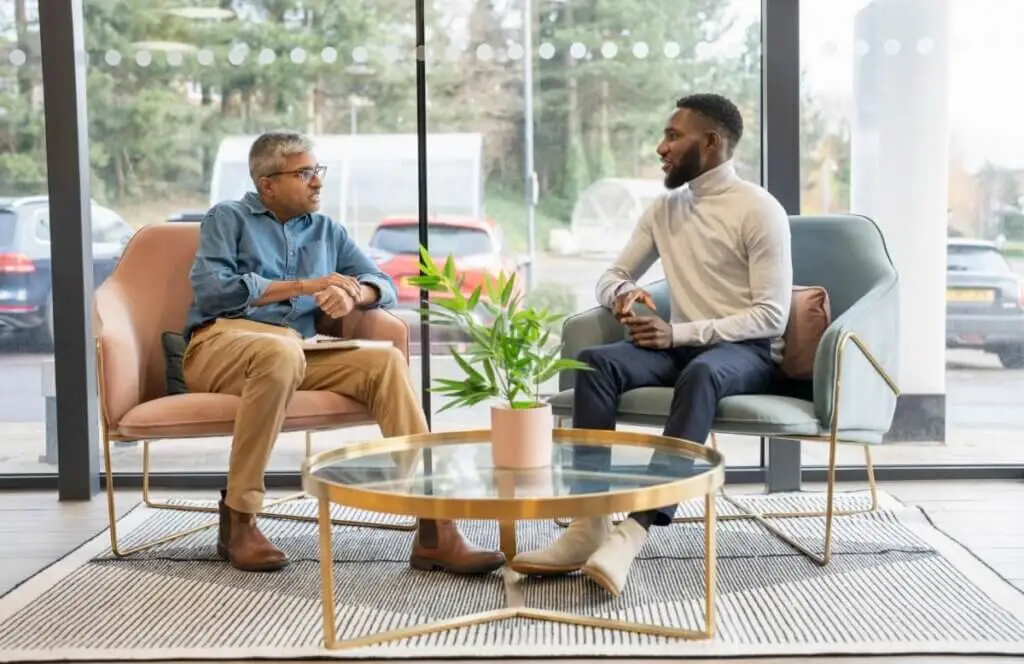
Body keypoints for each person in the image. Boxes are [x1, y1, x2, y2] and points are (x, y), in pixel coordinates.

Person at [182, 130, 505, 575]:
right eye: (305, 173)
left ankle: (435, 528)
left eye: (318, 171)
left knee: (385, 361)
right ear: (267, 183)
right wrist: (307, 286)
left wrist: (356, 296)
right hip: (222, 344)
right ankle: (241, 518)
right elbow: (213, 291)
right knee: (281, 352)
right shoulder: (228, 218)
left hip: (297, 350)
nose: (317, 182)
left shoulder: (327, 230)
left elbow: (383, 283)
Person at [509, 94, 793, 595]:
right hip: (680, 346)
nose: (661, 147)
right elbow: (613, 274)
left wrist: (677, 333)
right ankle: (588, 523)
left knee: (701, 374)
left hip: (746, 351)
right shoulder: (666, 208)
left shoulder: (759, 209)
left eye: (673, 136)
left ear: (710, 142)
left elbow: (772, 315)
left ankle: (633, 533)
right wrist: (623, 295)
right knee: (597, 363)